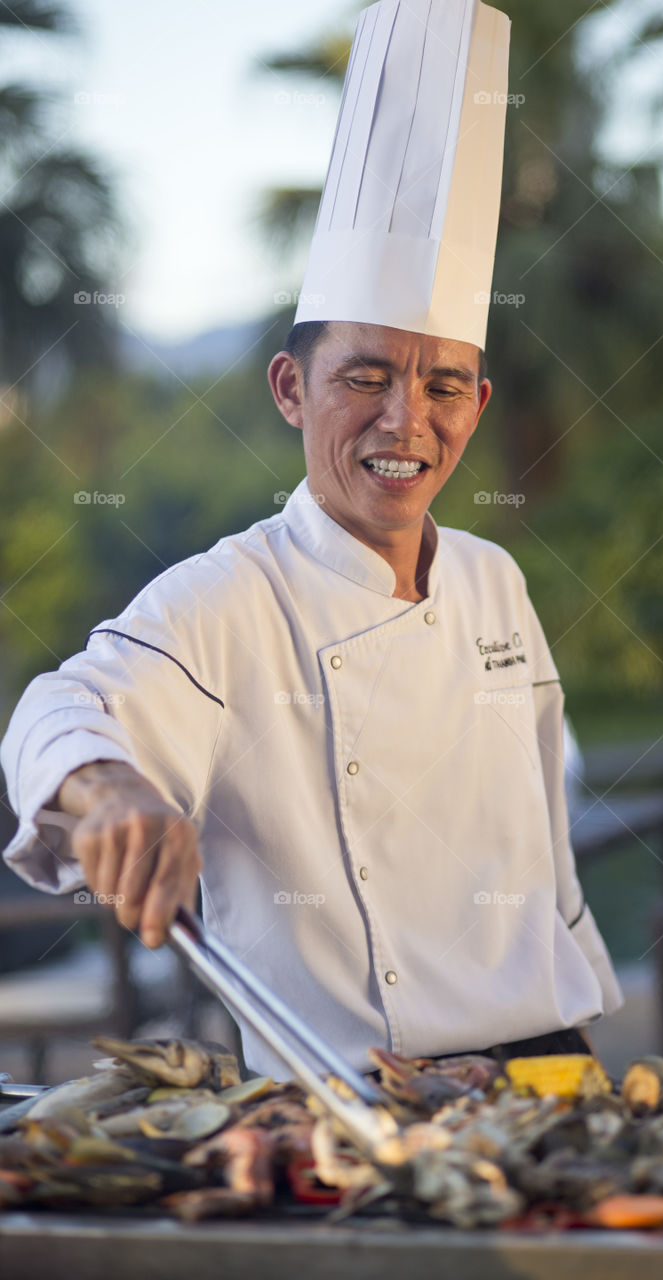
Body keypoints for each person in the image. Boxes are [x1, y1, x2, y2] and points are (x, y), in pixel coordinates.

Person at [0, 0, 622, 1077]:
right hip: (357, 1106)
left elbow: (540, 829)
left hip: (560, 1075)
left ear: (475, 402)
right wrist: (110, 789)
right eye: (364, 378)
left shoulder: (494, 576)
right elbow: (59, 706)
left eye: (438, 386)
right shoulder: (228, 596)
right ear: (292, 386)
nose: (403, 422)